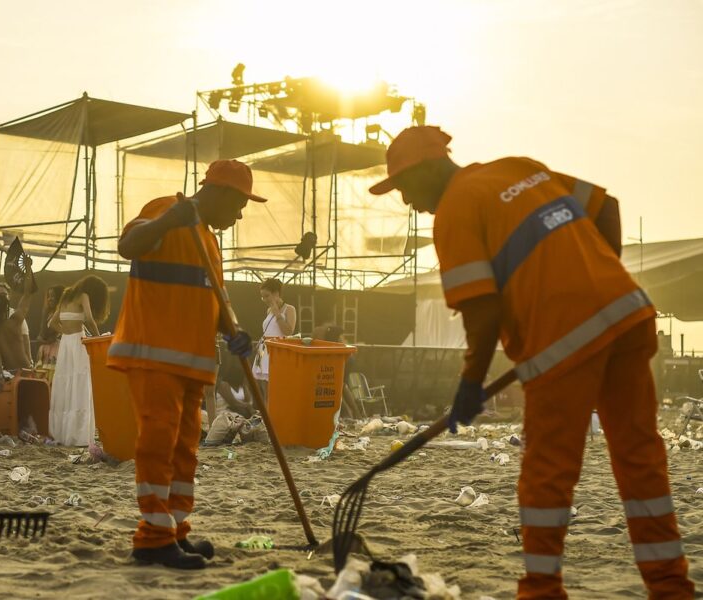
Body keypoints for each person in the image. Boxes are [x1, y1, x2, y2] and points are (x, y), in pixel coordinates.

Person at [369, 126, 693, 598]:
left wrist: (469, 385)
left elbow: (482, 309)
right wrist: (596, 281)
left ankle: (541, 590)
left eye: (404, 187)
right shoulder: (518, 168)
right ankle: (671, 588)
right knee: (639, 457)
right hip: (625, 316)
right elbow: (607, 208)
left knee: (548, 472)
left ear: (429, 169)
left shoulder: (455, 211)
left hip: (559, 341)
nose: (406, 201)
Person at [107, 159, 259, 569]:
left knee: (184, 450)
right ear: (221, 192)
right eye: (239, 205)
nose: (239, 215)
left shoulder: (209, 240)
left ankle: (175, 530)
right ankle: (153, 539)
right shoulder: (165, 209)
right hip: (153, 355)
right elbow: (128, 246)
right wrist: (169, 221)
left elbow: (216, 300)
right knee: (158, 444)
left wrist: (235, 331)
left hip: (191, 364)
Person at [47, 275, 109, 446]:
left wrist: (65, 332)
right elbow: (89, 319)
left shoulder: (66, 296)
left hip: (65, 343)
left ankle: (62, 432)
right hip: (78, 342)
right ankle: (79, 434)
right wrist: (98, 338)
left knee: (65, 384)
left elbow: (52, 323)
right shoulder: (83, 296)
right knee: (81, 383)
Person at [0, 263, 39, 387]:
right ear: (6, 307)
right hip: (25, 371)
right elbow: (28, 293)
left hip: (8, 374)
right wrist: (28, 269)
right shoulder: (15, 320)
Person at [252, 278, 296, 397]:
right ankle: (266, 408)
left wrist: (277, 313)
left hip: (278, 349)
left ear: (276, 293)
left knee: (276, 386)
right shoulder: (268, 310)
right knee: (264, 386)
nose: (265, 299)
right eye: (262, 297)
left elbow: (288, 331)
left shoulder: (289, 309)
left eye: (267, 296)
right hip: (264, 349)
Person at [35, 285, 65, 378]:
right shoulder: (48, 312)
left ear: (59, 297)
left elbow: (54, 335)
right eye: (48, 296)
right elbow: (41, 334)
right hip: (45, 350)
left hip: (56, 350)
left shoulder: (61, 313)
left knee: (52, 377)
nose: (49, 299)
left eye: (52, 296)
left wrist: (45, 339)